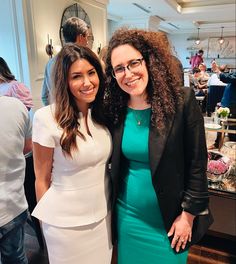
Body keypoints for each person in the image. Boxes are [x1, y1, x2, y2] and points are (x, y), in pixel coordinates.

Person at [103, 28, 213, 264]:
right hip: (127, 217)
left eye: (134, 63)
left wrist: (188, 217)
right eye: (119, 68)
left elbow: (197, 165)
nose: (128, 73)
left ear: (149, 61)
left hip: (171, 219)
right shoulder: (115, 108)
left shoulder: (182, 101)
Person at [32, 43, 112, 264]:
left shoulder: (102, 114)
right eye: (76, 76)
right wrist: (45, 224)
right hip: (63, 225)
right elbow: (41, 178)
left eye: (91, 73)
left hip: (103, 218)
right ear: (64, 81)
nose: (87, 82)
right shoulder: (46, 118)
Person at [0, 96, 32, 264]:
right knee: (16, 259)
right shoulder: (16, 106)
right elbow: (27, 147)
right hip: (14, 204)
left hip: (12, 206)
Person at [41, 17, 93, 106]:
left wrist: (55, 113)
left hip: (59, 115)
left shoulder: (50, 63)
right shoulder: (84, 61)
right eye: (87, 37)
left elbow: (45, 96)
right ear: (80, 37)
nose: (87, 42)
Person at [208, 71, 236, 149]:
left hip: (232, 105)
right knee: (221, 124)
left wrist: (218, 71)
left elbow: (226, 78)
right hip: (227, 103)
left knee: (231, 129)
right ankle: (218, 144)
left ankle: (230, 147)